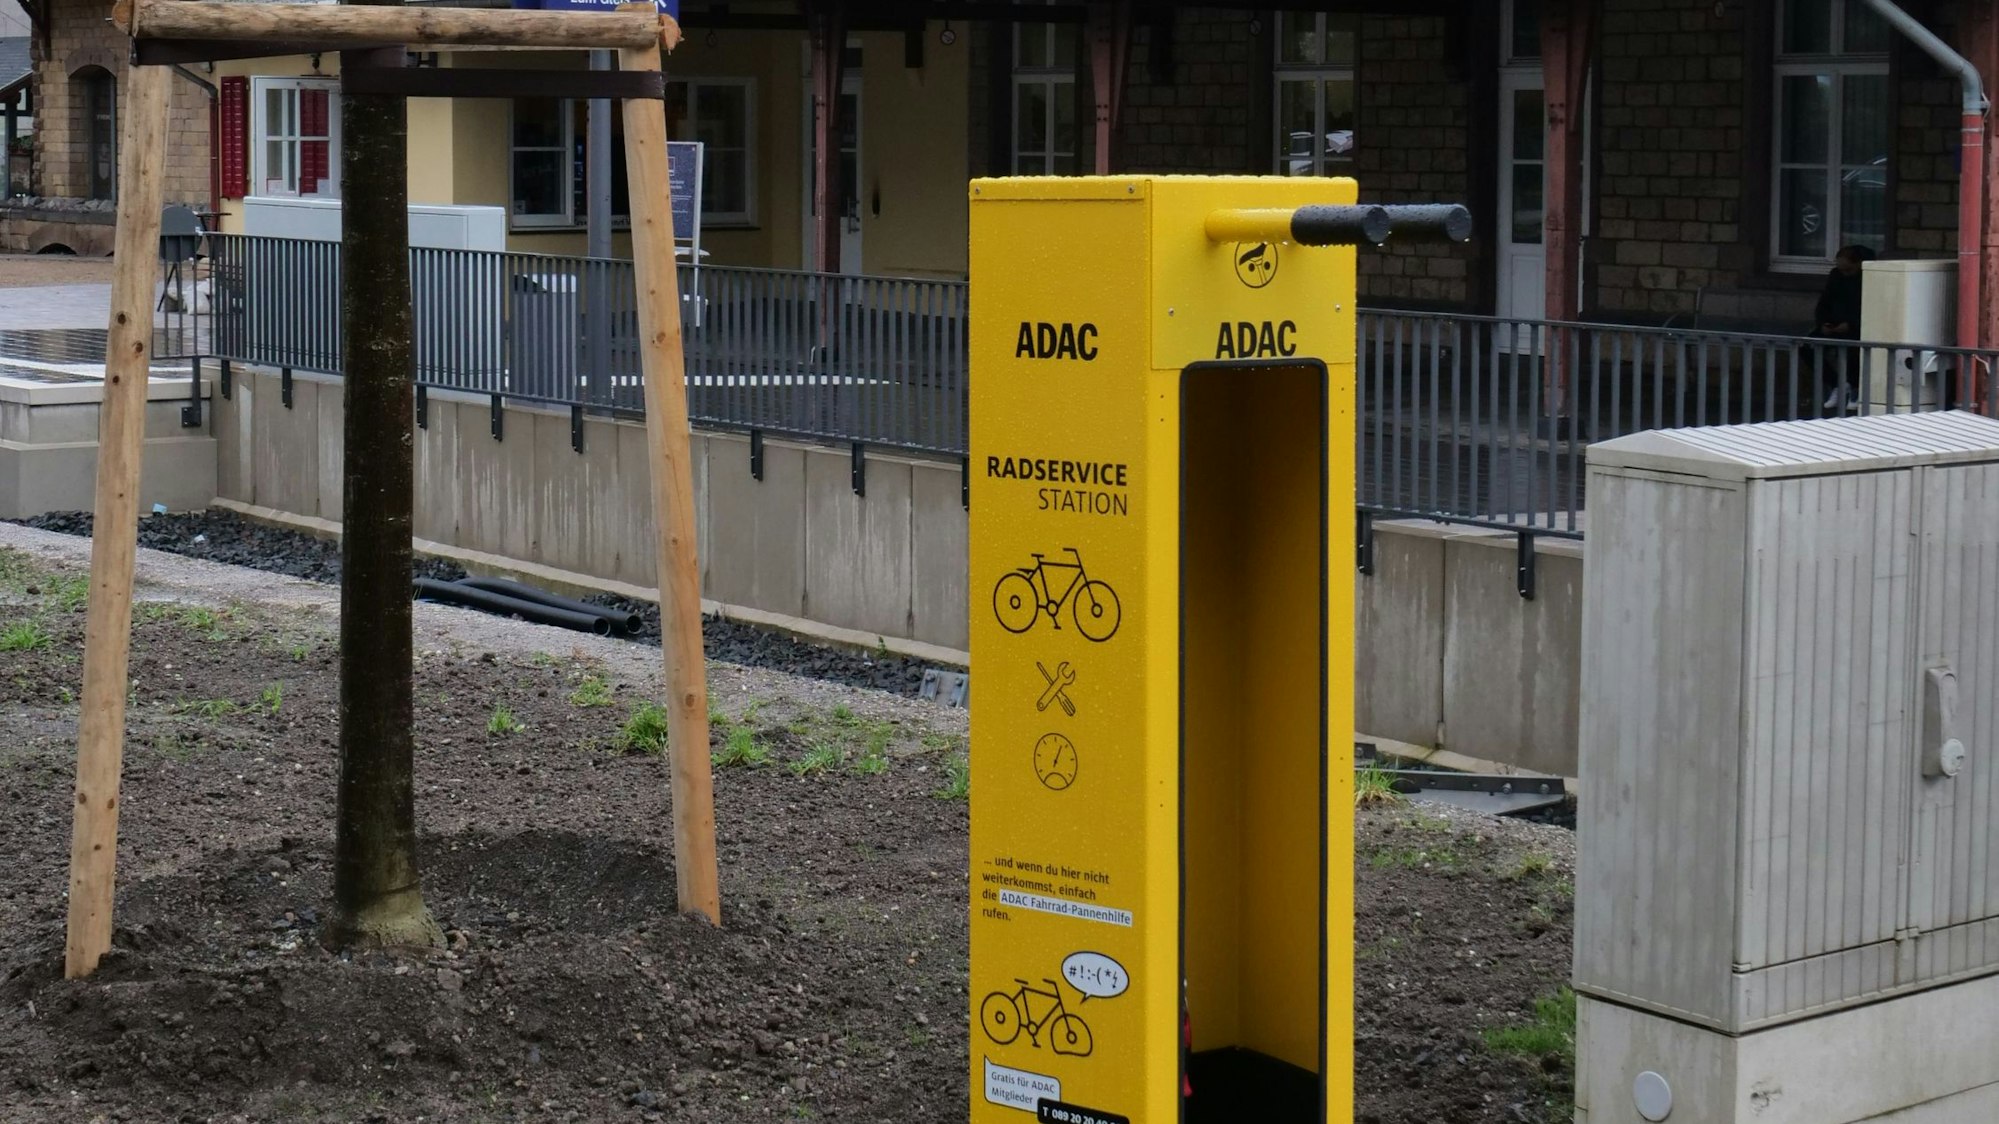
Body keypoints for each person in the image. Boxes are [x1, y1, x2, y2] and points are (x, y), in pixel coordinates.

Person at [1812, 244, 1874, 411]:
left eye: (1848, 270)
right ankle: (1837, 384)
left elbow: (1871, 306)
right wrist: (1823, 323)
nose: (1844, 274)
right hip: (1834, 324)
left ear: (1860, 264)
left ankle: (1855, 386)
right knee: (1808, 347)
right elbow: (1824, 302)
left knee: (1853, 348)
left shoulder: (1870, 278)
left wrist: (1851, 324)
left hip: (1857, 326)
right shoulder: (1836, 276)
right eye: (1841, 269)